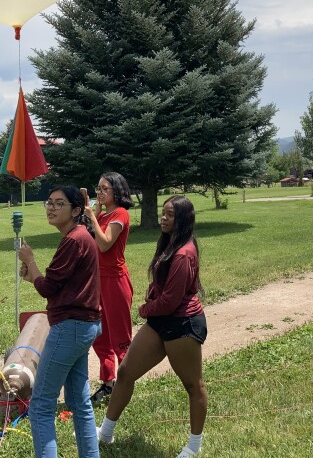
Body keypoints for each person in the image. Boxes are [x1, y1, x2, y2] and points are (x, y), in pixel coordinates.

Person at [97, 195, 207, 458]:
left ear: (182, 219)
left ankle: (194, 446)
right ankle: (106, 433)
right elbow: (165, 286)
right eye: (163, 213)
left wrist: (145, 308)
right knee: (125, 373)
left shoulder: (183, 253)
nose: (163, 218)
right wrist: (153, 291)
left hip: (182, 325)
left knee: (193, 386)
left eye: (170, 215)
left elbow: (171, 301)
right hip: (159, 323)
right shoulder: (171, 242)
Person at [18, 186, 102, 458]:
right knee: (79, 402)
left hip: (70, 327)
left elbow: (47, 288)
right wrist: (33, 274)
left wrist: (30, 261)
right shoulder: (79, 237)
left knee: (40, 404)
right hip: (84, 326)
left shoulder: (74, 240)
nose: (51, 208)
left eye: (59, 203)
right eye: (49, 202)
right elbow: (51, 283)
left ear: (76, 211)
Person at [81, 172, 134, 403]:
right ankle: (108, 383)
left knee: (119, 337)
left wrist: (93, 217)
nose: (100, 193)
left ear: (117, 191)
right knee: (99, 336)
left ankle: (126, 383)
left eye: (105, 189)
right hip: (98, 282)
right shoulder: (102, 214)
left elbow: (104, 244)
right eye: (98, 188)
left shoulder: (120, 214)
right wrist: (89, 218)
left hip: (115, 282)